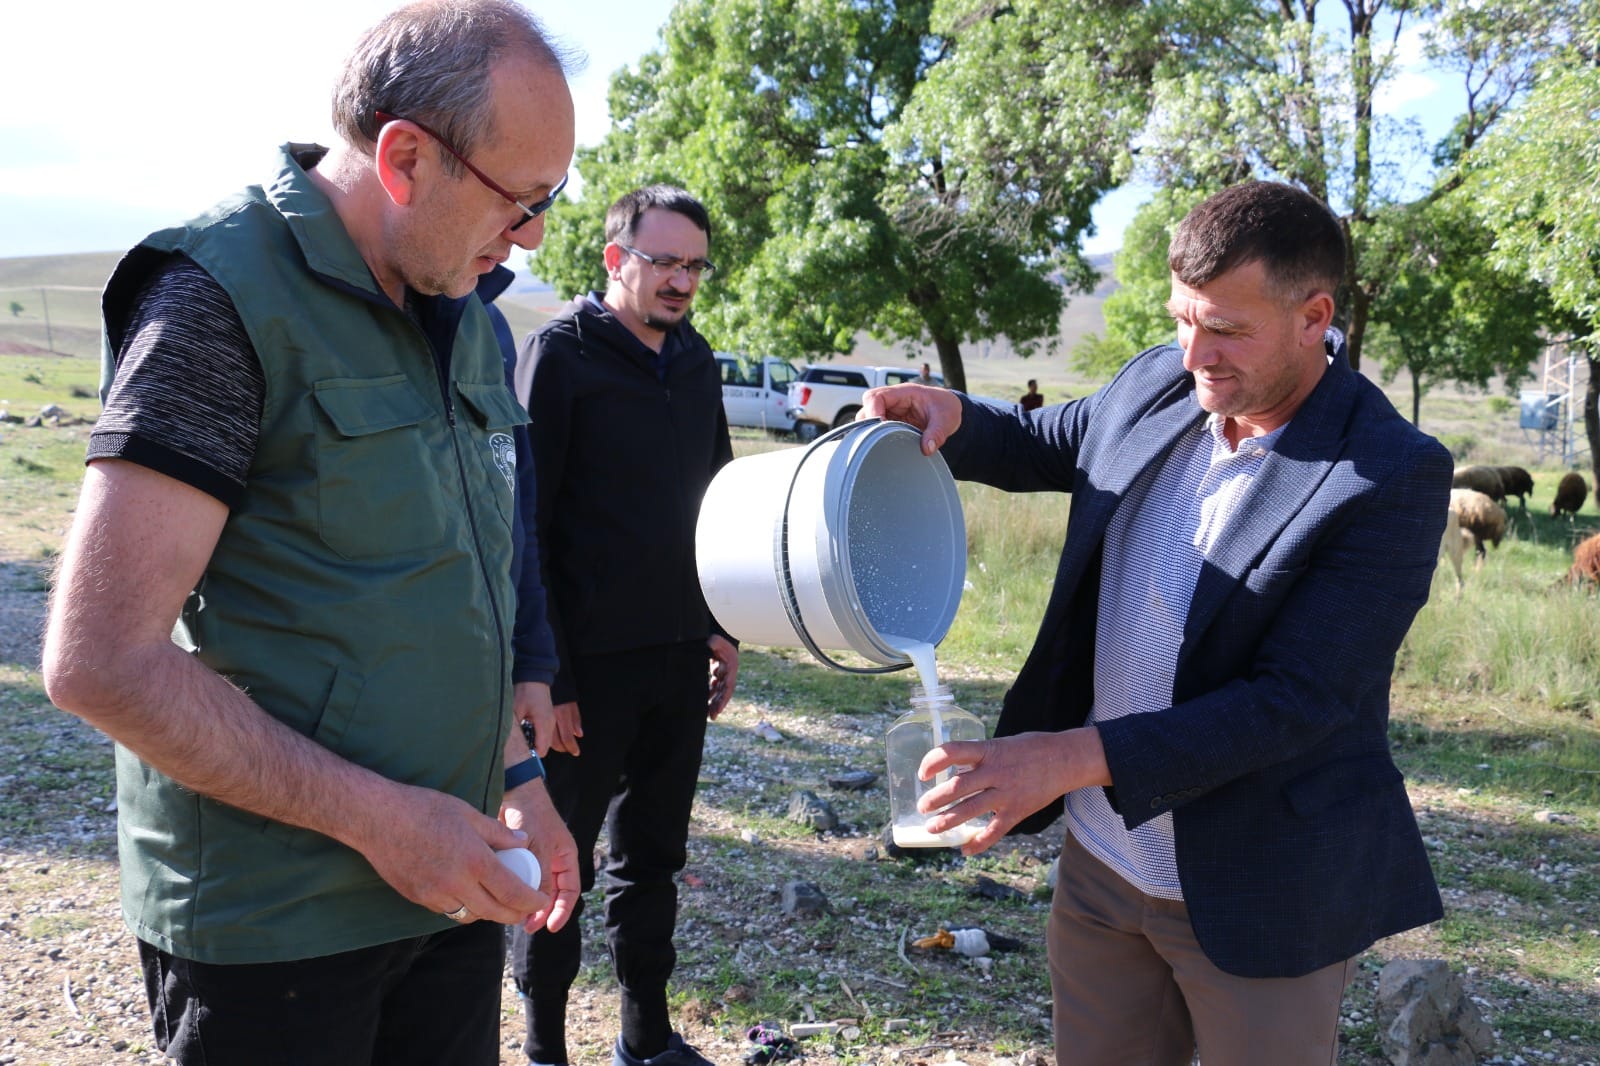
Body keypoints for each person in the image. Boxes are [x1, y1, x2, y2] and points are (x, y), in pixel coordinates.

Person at [40, 3, 583, 1064]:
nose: (532, 237)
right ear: (406, 157)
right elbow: (100, 661)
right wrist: (383, 819)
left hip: (451, 882)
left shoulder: (464, 308)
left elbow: (451, 585)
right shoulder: (218, 296)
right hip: (275, 928)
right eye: (519, 200)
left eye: (546, 200)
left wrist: (519, 781)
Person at [863, 181, 1451, 1066]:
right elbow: (1062, 440)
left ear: (1313, 316)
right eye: (1181, 318)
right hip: (1103, 872)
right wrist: (960, 418)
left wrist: (1062, 759)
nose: (1194, 354)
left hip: (1262, 892)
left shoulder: (1386, 473)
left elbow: (1295, 701)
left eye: (1225, 328)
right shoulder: (1161, 378)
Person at [509, 185, 739, 1066]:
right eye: (664, 261)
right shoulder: (558, 357)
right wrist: (550, 676)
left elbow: (716, 502)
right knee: (560, 863)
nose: (680, 281)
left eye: (693, 265)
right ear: (616, 259)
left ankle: (645, 1037)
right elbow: (525, 523)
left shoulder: (697, 361)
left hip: (677, 658)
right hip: (584, 671)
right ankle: (544, 1048)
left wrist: (720, 624)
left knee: (654, 857)